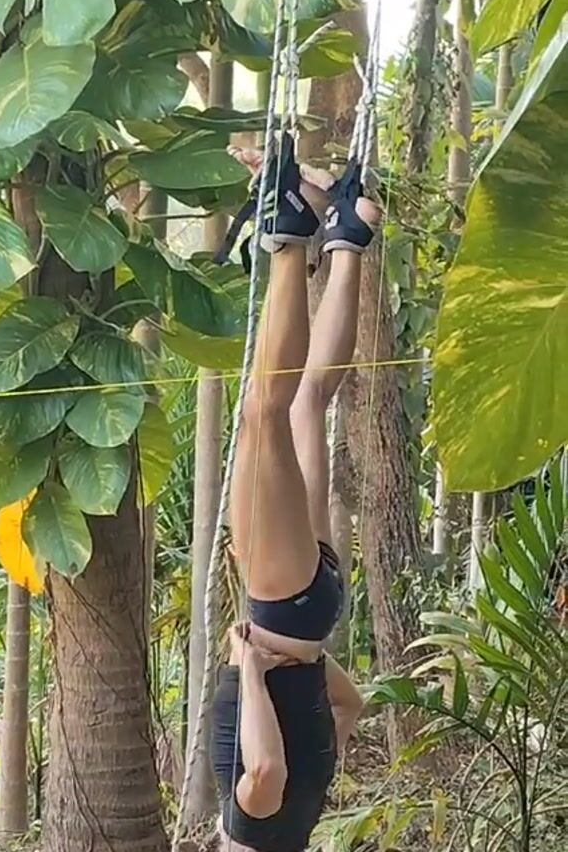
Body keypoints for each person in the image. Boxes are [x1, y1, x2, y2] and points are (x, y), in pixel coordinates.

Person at [211, 135, 382, 852]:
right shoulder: (252, 824)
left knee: (309, 403)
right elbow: (265, 770)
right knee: (265, 411)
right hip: (278, 602)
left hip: (315, 606)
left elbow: (350, 705)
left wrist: (302, 663)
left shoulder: (300, 824)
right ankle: (289, 233)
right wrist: (252, 667)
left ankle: (348, 237)